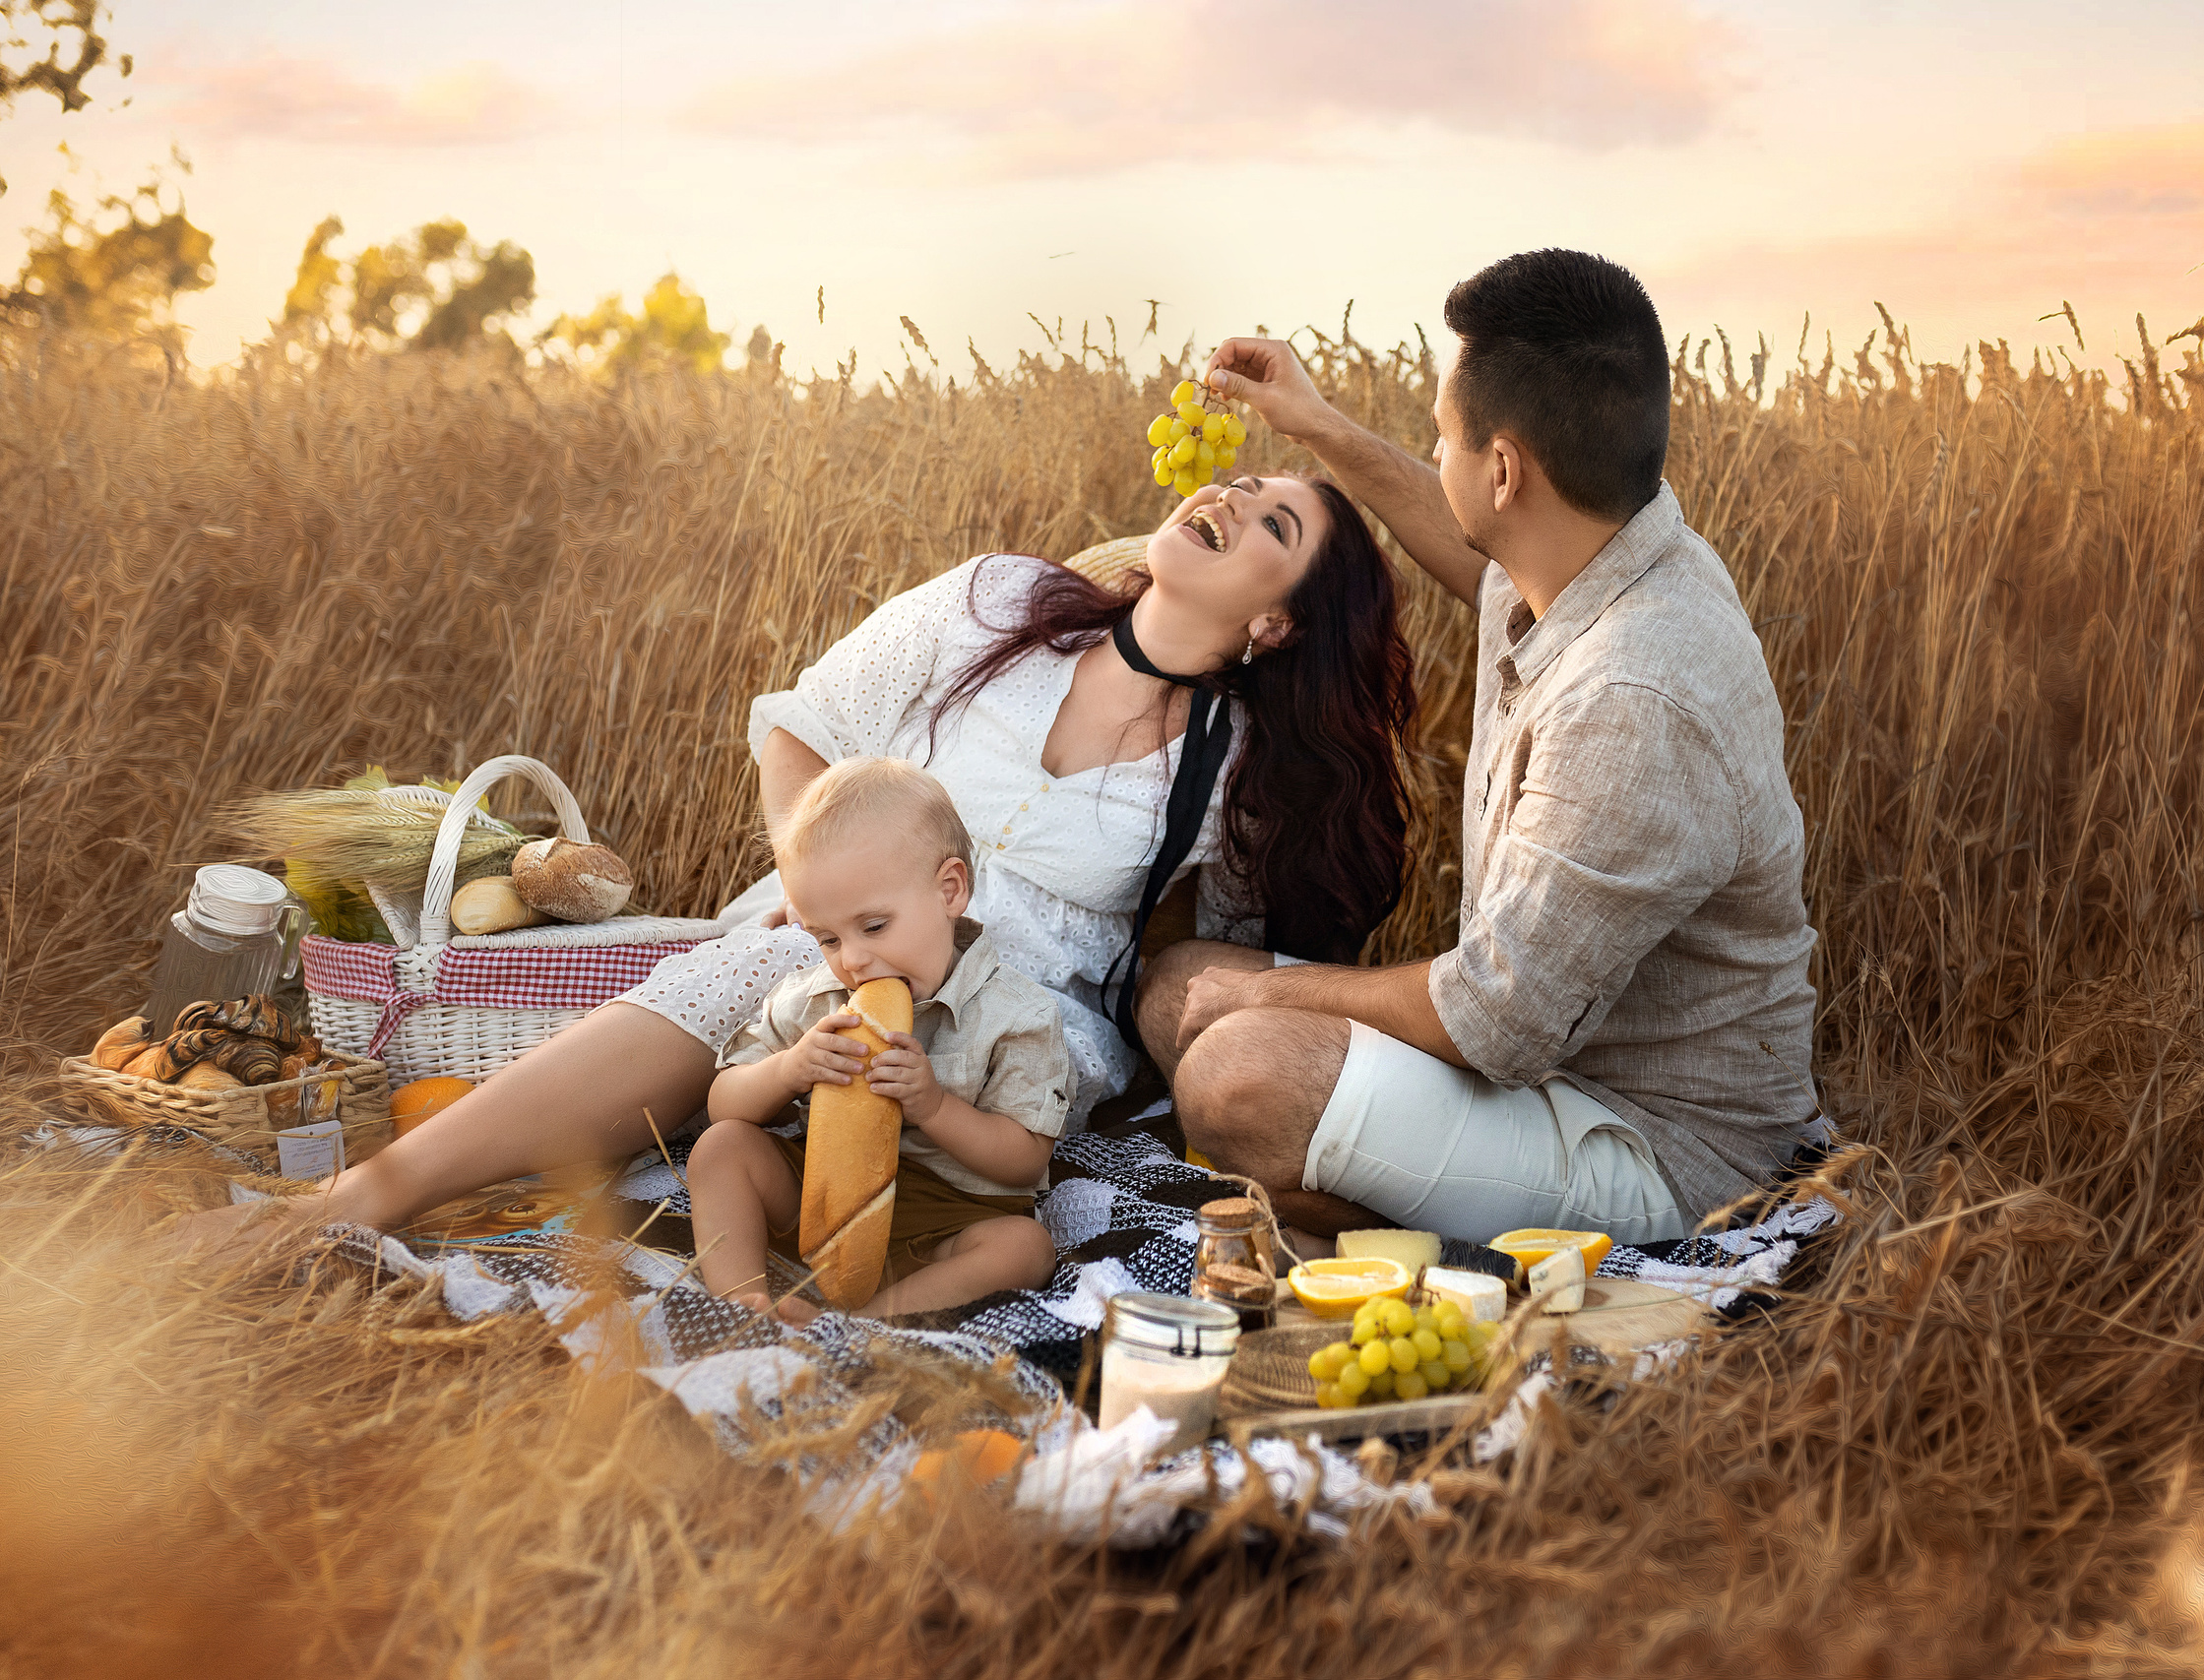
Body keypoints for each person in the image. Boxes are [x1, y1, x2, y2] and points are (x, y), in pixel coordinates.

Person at [187, 473, 1417, 1257]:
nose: (1235, 492)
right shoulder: (996, 606)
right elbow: (802, 729)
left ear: (1276, 623)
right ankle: (361, 1202)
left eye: (1276, 522)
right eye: (1245, 479)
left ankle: (796, 1239)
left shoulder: (1241, 764)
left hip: (1016, 1016)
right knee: (756, 982)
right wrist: (806, 884)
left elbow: (1231, 956)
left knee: (861, 1084)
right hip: (829, 937)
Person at [1139, 249, 1823, 1250]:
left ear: (1502, 471)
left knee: (1236, 1076)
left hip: (1659, 1147)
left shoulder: (1636, 698)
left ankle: (1394, 1235)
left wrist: (1268, 992)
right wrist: (1318, 425)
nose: (1433, 451)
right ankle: (1375, 1169)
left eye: (1444, 437)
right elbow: (1471, 548)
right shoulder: (1615, 548)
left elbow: (1497, 1020)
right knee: (1172, 981)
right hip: (1532, 1061)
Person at [690, 758, 1065, 1322]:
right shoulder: (815, 1002)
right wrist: (789, 1069)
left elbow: (1025, 1161)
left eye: (872, 927)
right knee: (721, 1150)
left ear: (950, 890)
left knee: (1025, 1249)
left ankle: (864, 1325)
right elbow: (723, 1105)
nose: (853, 959)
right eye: (827, 938)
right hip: (822, 1198)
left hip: (948, 1215)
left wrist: (934, 1106)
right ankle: (741, 1308)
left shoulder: (1016, 1016)